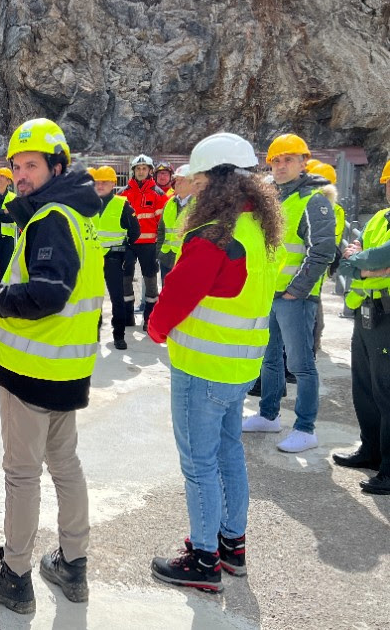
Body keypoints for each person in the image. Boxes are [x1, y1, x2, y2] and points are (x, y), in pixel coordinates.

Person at [0, 118, 101, 614]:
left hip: (32, 373)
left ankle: (15, 575)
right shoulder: (80, 213)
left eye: (31, 166)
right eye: (16, 166)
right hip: (68, 366)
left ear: (57, 167)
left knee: (22, 474)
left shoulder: (51, 219)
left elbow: (46, 294)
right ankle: (73, 564)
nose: (21, 175)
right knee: (65, 465)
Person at [147, 132, 284, 592]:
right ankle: (231, 546)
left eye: (200, 177)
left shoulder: (214, 237)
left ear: (216, 180)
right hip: (240, 369)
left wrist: (156, 330)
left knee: (198, 463)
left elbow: (174, 299)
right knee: (229, 455)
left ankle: (203, 559)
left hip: (201, 369)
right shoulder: (260, 231)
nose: (195, 186)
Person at [241, 134, 336, 453]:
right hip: (270, 294)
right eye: (276, 160)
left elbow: (322, 250)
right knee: (269, 360)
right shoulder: (273, 198)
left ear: (302, 162)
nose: (281, 166)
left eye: (288, 160)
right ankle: (269, 415)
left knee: (301, 364)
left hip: (295, 299)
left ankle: (305, 428)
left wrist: (297, 291)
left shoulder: (314, 199)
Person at [334, 158, 390, 494]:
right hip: (368, 313)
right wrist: (364, 265)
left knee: (387, 391)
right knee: (365, 387)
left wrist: (367, 262)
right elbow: (354, 260)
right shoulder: (381, 218)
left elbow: (377, 256)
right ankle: (370, 450)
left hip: (389, 316)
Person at [92, 166, 140, 350]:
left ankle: (118, 335)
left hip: (114, 258)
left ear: (113, 183)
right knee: (93, 297)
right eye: (98, 181)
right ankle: (93, 330)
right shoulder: (89, 204)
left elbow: (135, 231)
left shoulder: (122, 204)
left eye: (105, 181)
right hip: (93, 258)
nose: (101, 185)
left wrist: (128, 249)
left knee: (117, 299)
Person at [122, 154, 169, 330]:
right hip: (128, 244)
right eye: (138, 169)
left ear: (150, 171)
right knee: (125, 279)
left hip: (149, 245)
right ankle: (128, 316)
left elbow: (163, 224)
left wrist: (159, 246)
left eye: (144, 169)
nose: (141, 171)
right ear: (133, 171)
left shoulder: (159, 194)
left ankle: (149, 318)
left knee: (150, 280)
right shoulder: (123, 194)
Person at [308, 162, 345, 355]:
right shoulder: (335, 209)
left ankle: (312, 345)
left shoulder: (332, 209)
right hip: (312, 268)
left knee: (312, 311)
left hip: (313, 267)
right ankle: (313, 344)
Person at [157, 164, 195, 281]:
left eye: (182, 180)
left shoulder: (199, 206)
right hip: (166, 260)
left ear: (192, 182)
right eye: (176, 179)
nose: (177, 183)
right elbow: (161, 230)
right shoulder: (169, 203)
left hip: (186, 261)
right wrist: (159, 253)